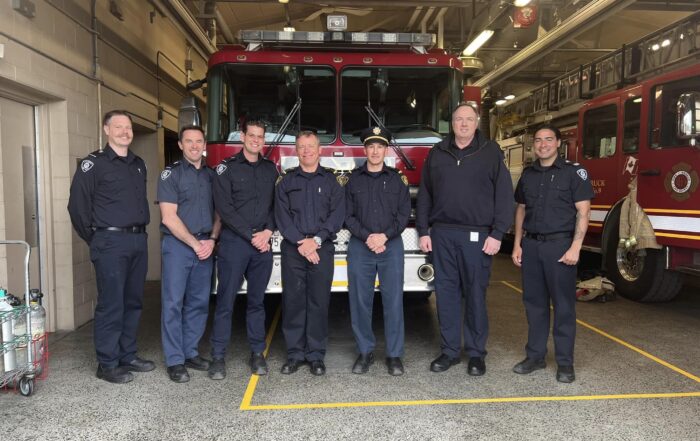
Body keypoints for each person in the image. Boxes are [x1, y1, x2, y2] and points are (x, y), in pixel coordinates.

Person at [416, 102, 513, 376]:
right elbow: (425, 194)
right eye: (459, 119)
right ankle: (449, 352)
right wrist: (424, 230)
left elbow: (504, 196)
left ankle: (475, 354)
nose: (463, 124)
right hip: (443, 234)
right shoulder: (437, 153)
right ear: (452, 123)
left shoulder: (491, 153)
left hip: (478, 236)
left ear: (477, 122)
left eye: (469, 120)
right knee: (445, 296)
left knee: (474, 296)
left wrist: (497, 233)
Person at [68, 110, 154, 384]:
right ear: (106, 130)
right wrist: (96, 239)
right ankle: (107, 363)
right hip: (110, 242)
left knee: (133, 302)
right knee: (111, 304)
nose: (124, 131)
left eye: (128, 127)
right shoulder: (94, 164)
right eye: (118, 126)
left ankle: (127, 354)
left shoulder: (139, 164)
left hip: (138, 240)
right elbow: (77, 207)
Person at [511, 124, 594, 383]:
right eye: (538, 140)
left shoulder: (574, 172)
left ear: (558, 142)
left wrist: (575, 247)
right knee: (534, 305)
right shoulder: (528, 174)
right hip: (532, 246)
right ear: (533, 144)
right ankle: (535, 357)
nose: (543, 144)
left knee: (564, 307)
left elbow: (584, 211)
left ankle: (565, 363)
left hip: (560, 247)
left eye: (548, 139)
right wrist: (517, 244)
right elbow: (521, 210)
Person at [209, 120, 278, 379]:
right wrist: (251, 235)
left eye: (261, 137)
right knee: (225, 301)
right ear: (242, 136)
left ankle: (257, 353)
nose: (256, 140)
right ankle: (218, 357)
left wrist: (268, 231)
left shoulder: (271, 170)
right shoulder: (225, 169)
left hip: (262, 244)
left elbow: (276, 207)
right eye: (252, 135)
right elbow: (224, 209)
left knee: (257, 302)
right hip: (234, 244)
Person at [274, 130, 345, 376]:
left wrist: (315, 241)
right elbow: (282, 217)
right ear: (296, 150)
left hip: (321, 248)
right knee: (293, 302)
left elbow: (337, 216)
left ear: (319, 150)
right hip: (293, 249)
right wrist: (301, 243)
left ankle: (315, 355)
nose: (306, 151)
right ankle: (294, 354)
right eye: (301, 147)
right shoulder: (286, 182)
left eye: (310, 146)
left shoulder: (331, 182)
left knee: (318, 302)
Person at [157, 126, 221, 383]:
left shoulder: (212, 175)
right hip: (179, 247)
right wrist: (196, 244)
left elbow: (220, 214)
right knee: (173, 303)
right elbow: (169, 217)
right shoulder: (170, 175)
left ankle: (190, 352)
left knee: (198, 303)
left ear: (204, 144)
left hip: (206, 246)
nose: (194, 146)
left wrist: (213, 240)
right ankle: (175, 360)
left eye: (198, 141)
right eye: (189, 141)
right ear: (181, 145)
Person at [345, 126, 410, 376]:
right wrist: (367, 236)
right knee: (360, 301)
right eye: (371, 146)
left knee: (393, 301)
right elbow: (347, 216)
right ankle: (364, 351)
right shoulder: (352, 179)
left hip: (391, 245)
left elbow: (404, 214)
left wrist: (384, 235)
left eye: (380, 146)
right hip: (361, 246)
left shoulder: (397, 179)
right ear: (365, 149)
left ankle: (394, 355)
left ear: (385, 149)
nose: (375, 151)